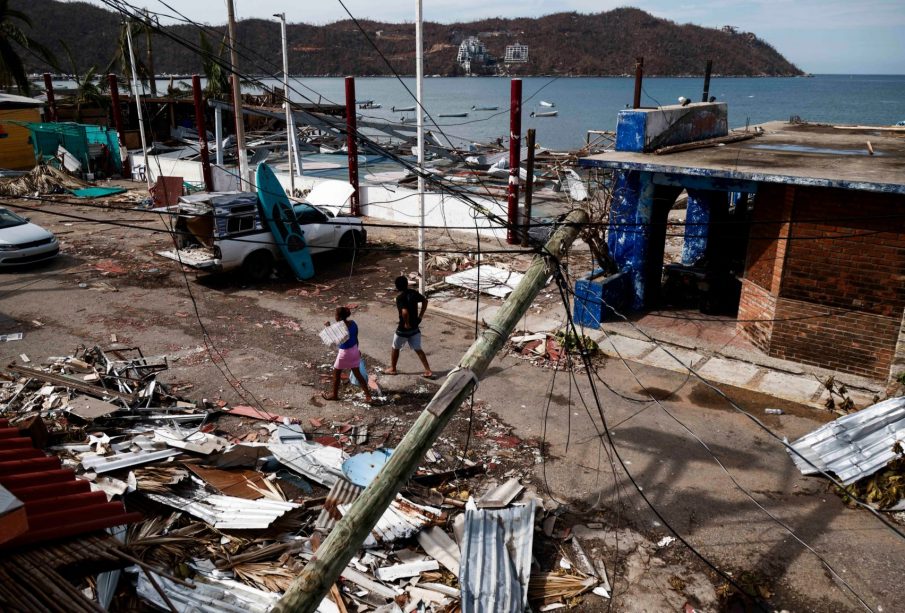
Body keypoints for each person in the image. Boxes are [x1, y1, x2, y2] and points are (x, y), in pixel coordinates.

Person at [322, 306, 372, 403]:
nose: (335, 316)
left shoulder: (340, 326)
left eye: (336, 315)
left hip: (344, 353)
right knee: (358, 375)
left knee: (336, 374)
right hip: (354, 350)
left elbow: (332, 339)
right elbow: (356, 338)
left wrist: (327, 326)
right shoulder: (353, 323)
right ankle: (368, 396)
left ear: (339, 317)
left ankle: (334, 395)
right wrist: (357, 350)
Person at [387, 275, 433, 377]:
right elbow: (425, 301)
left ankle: (393, 368)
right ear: (407, 284)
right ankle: (428, 370)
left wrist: (406, 323)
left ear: (397, 287)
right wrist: (420, 316)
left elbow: (404, 312)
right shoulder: (413, 293)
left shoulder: (400, 298)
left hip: (403, 329)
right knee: (418, 349)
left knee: (395, 347)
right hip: (415, 327)